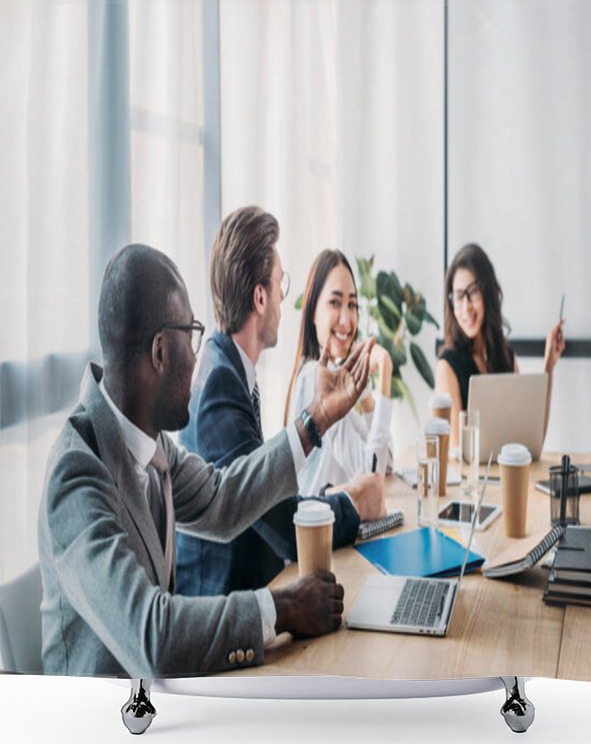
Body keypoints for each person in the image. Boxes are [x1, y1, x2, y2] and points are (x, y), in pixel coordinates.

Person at [38, 243, 376, 678]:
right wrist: (281, 607)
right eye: (192, 335)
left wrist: (316, 420)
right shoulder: (76, 473)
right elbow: (152, 636)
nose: (198, 355)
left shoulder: (152, 445)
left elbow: (223, 498)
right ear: (160, 351)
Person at [176, 207, 385, 596]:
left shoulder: (225, 368)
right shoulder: (220, 384)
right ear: (260, 297)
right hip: (222, 615)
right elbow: (283, 527)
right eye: (279, 285)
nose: (282, 301)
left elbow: (263, 502)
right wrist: (354, 503)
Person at [286, 249, 394, 497]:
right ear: (313, 310)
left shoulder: (332, 372)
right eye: (335, 303)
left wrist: (365, 392)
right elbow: (372, 475)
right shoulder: (315, 377)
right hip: (322, 532)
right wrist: (385, 370)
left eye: (352, 304)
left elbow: (385, 463)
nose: (346, 320)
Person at [435, 243, 565, 444]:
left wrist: (549, 364)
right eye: (459, 296)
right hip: (472, 476)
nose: (466, 307)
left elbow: (532, 437)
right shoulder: (447, 366)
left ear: (488, 293)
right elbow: (457, 450)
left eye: (473, 292)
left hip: (508, 474)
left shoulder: (505, 357)